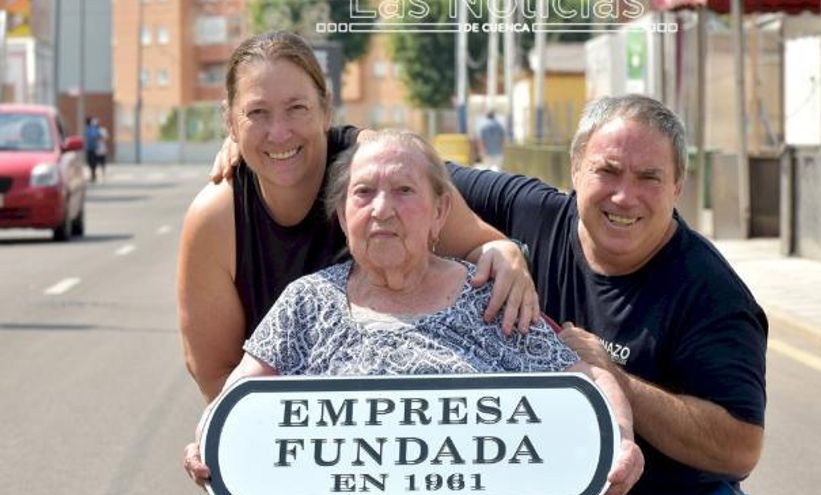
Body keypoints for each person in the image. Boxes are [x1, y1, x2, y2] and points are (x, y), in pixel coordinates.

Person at [183, 129, 644, 494]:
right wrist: (210, 441)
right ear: (344, 218)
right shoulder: (306, 303)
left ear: (440, 212)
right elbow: (238, 397)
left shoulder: (489, 298)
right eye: (363, 193)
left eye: (404, 190)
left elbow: (586, 380)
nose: (383, 209)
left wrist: (621, 439)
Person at [179, 31, 540, 405]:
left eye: (297, 108)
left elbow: (479, 244)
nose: (279, 132)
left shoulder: (375, 169)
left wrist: (505, 253)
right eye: (257, 113)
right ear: (230, 122)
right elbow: (217, 376)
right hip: (291, 437)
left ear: (326, 108)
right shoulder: (216, 218)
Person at [449, 95, 767, 494]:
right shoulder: (530, 212)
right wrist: (491, 245)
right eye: (608, 171)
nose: (624, 196)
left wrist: (614, 379)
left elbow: (739, 449)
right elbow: (408, 172)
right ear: (576, 169)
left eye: (649, 178)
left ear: (677, 187)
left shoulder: (713, 293)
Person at [84, 117, 101, 182]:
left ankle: (93, 175)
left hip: (93, 148)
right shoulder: (88, 129)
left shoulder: (92, 128)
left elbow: (96, 135)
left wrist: (94, 139)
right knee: (90, 162)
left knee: (92, 162)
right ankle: (92, 174)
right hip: (89, 148)